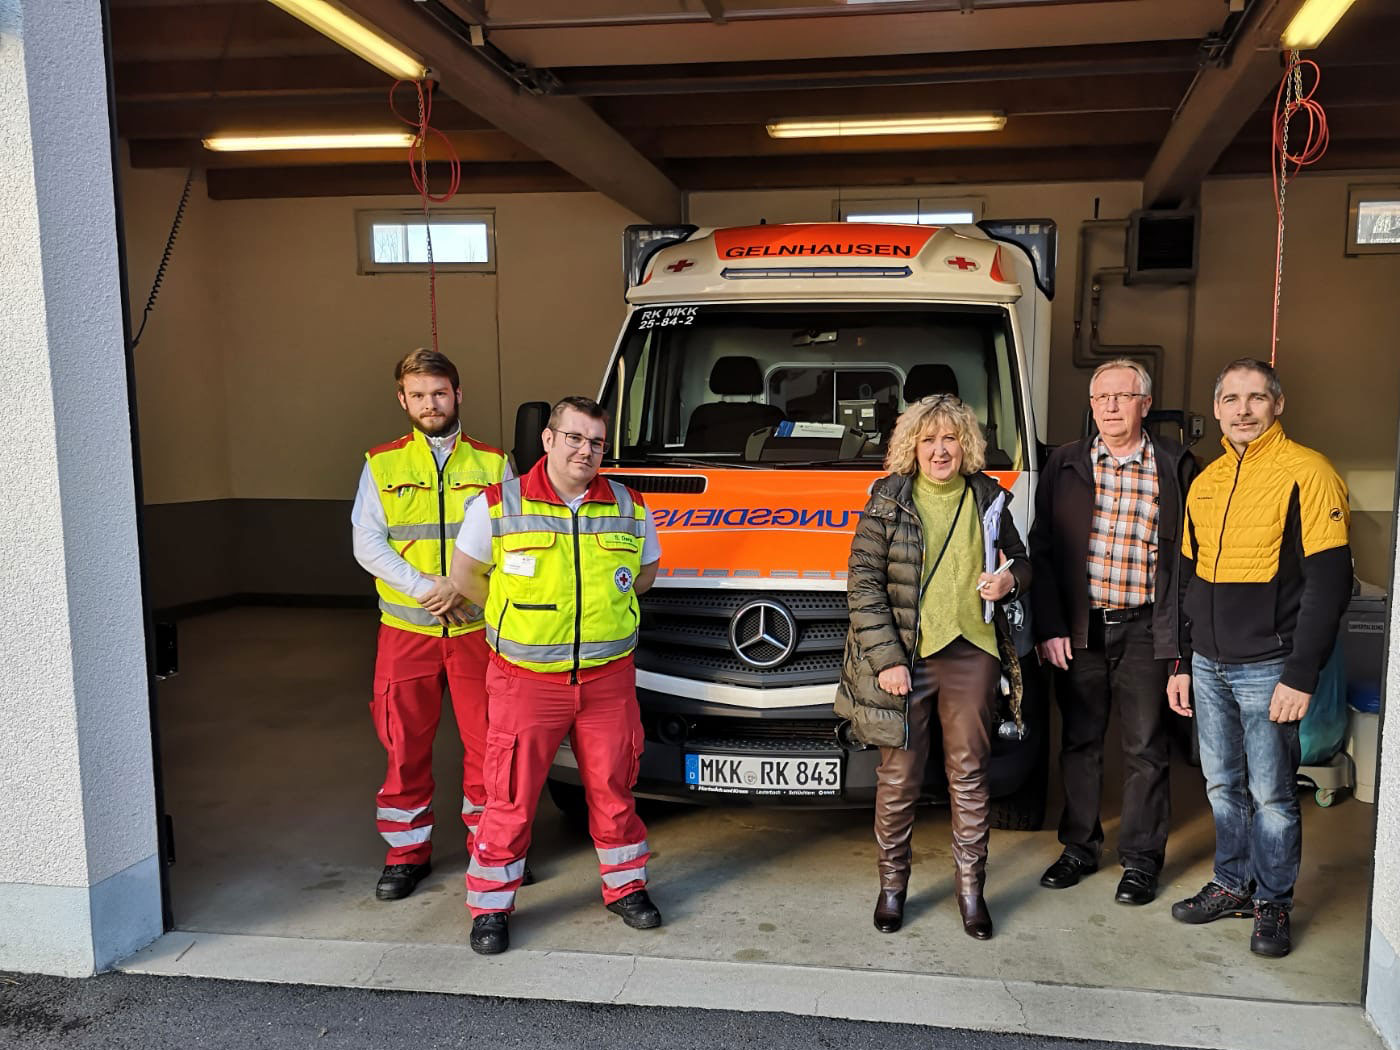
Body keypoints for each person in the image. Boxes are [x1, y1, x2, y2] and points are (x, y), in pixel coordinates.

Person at [449, 395, 663, 955]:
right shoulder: (497, 505)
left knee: (614, 790)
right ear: (547, 439)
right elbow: (468, 576)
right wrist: (520, 618)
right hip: (525, 681)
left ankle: (625, 888)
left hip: (606, 681)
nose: (586, 451)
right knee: (510, 797)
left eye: (596, 442)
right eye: (574, 437)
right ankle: (491, 906)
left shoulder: (629, 506)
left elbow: (643, 574)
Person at [1169, 358, 1351, 958]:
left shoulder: (1309, 472)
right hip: (1210, 664)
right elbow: (1190, 578)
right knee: (1222, 786)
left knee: (1273, 794)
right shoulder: (1207, 481)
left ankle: (1272, 901)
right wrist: (1182, 661)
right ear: (1216, 408)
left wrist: (1302, 672)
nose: (1242, 410)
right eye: (1231, 399)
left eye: (1255, 398)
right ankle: (1232, 883)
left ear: (1278, 405)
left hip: (1270, 665)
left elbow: (1330, 584)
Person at [835, 394, 1031, 941]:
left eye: (950, 439)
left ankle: (971, 890)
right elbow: (864, 585)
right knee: (898, 777)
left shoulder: (989, 496)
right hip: (908, 658)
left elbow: (1023, 562)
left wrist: (1010, 580)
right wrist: (888, 661)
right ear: (911, 447)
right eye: (928, 440)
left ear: (964, 444)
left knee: (969, 775)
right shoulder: (887, 501)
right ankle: (892, 887)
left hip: (974, 651)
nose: (940, 450)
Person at [1029, 359, 1198, 906]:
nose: (1110, 407)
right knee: (1079, 742)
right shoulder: (1067, 463)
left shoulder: (1176, 464)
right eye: (1101, 397)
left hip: (1148, 627)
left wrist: (1182, 648)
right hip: (1082, 629)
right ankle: (1079, 846)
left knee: (1146, 747)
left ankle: (1142, 860)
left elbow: (1189, 562)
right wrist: (1051, 625)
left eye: (1123, 397)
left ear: (1145, 405)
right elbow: (1044, 550)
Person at [351, 349, 513, 901]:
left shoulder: (494, 464)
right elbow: (367, 543)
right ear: (402, 400)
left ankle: (492, 849)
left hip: (476, 634)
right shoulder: (381, 463)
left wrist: (463, 590)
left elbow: (512, 541)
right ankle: (406, 854)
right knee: (403, 748)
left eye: (439, 393)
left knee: (491, 747)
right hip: (408, 633)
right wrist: (429, 589)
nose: (430, 404)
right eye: (418, 395)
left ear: (458, 394)